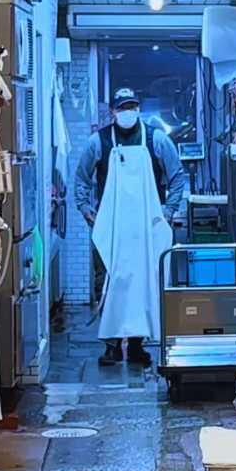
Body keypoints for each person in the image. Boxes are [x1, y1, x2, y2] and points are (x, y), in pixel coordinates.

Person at [73, 86, 187, 365]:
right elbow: (81, 180)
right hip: (113, 230)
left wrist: (167, 212)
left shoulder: (157, 140)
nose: (128, 113)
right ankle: (111, 345)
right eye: (122, 108)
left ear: (138, 109)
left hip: (145, 230)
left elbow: (176, 178)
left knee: (143, 283)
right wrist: (89, 213)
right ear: (113, 111)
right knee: (110, 282)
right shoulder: (97, 143)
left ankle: (137, 344)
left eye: (132, 107)